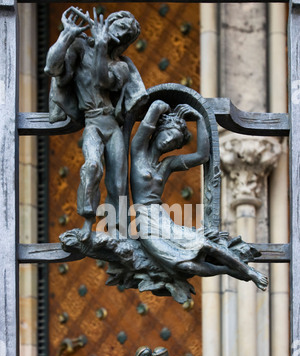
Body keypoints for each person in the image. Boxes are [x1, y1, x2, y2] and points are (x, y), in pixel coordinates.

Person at [130, 100, 268, 291]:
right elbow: (155, 107)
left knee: (205, 244)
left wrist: (199, 118)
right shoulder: (138, 153)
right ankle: (227, 270)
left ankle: (249, 271)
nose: (170, 141)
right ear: (159, 130)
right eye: (169, 134)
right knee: (186, 266)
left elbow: (202, 156)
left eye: (175, 142)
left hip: (162, 219)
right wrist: (167, 110)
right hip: (146, 224)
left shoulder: (167, 165)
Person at [45, 7, 148, 240]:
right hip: (92, 121)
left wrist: (101, 47)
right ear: (109, 23)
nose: (121, 35)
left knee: (118, 184)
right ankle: (87, 223)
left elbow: (104, 81)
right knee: (91, 167)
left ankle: (117, 233)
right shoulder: (81, 48)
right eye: (121, 28)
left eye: (127, 36)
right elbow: (52, 67)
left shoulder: (122, 66)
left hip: (112, 125)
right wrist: (67, 35)